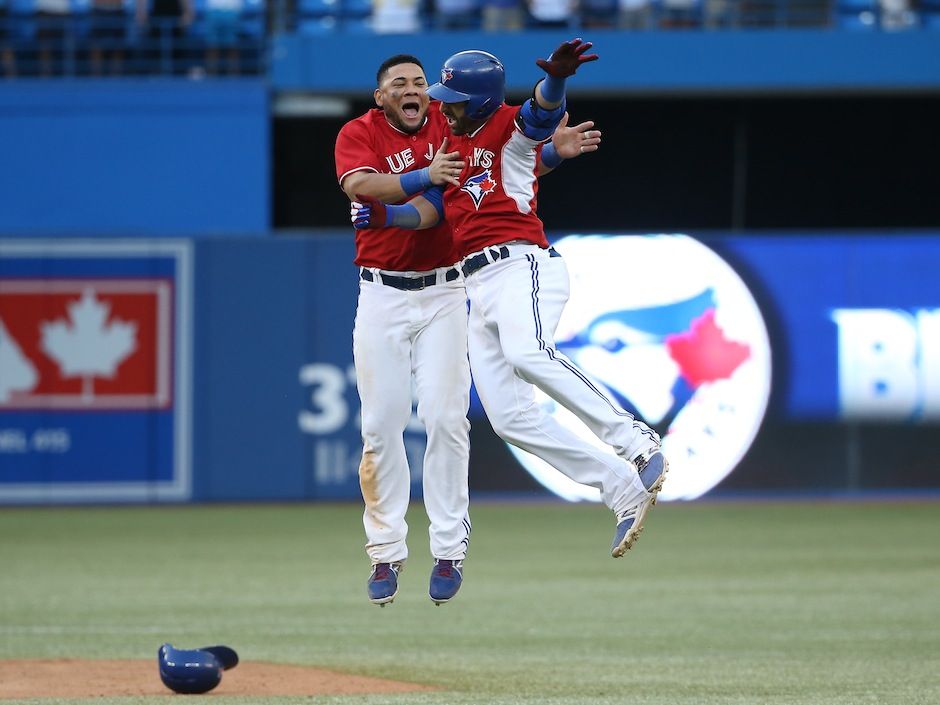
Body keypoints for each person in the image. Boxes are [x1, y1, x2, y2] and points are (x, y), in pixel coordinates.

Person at [351, 39, 668, 563]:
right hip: (476, 285)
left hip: (523, 264)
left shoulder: (503, 127)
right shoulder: (450, 151)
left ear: (477, 101)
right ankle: (621, 489)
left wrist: (558, 81)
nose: (440, 103)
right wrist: (384, 217)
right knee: (510, 419)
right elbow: (430, 212)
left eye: (450, 96)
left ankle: (636, 441)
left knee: (528, 353)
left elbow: (540, 115)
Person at [335, 54, 602, 607]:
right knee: (381, 427)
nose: (413, 90)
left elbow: (497, 164)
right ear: (379, 96)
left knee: (445, 417)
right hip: (381, 290)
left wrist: (552, 151)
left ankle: (448, 549)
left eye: (418, 81)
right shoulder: (358, 132)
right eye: (398, 84)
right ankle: (385, 553)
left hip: (448, 288)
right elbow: (362, 185)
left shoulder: (446, 119)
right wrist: (418, 179)